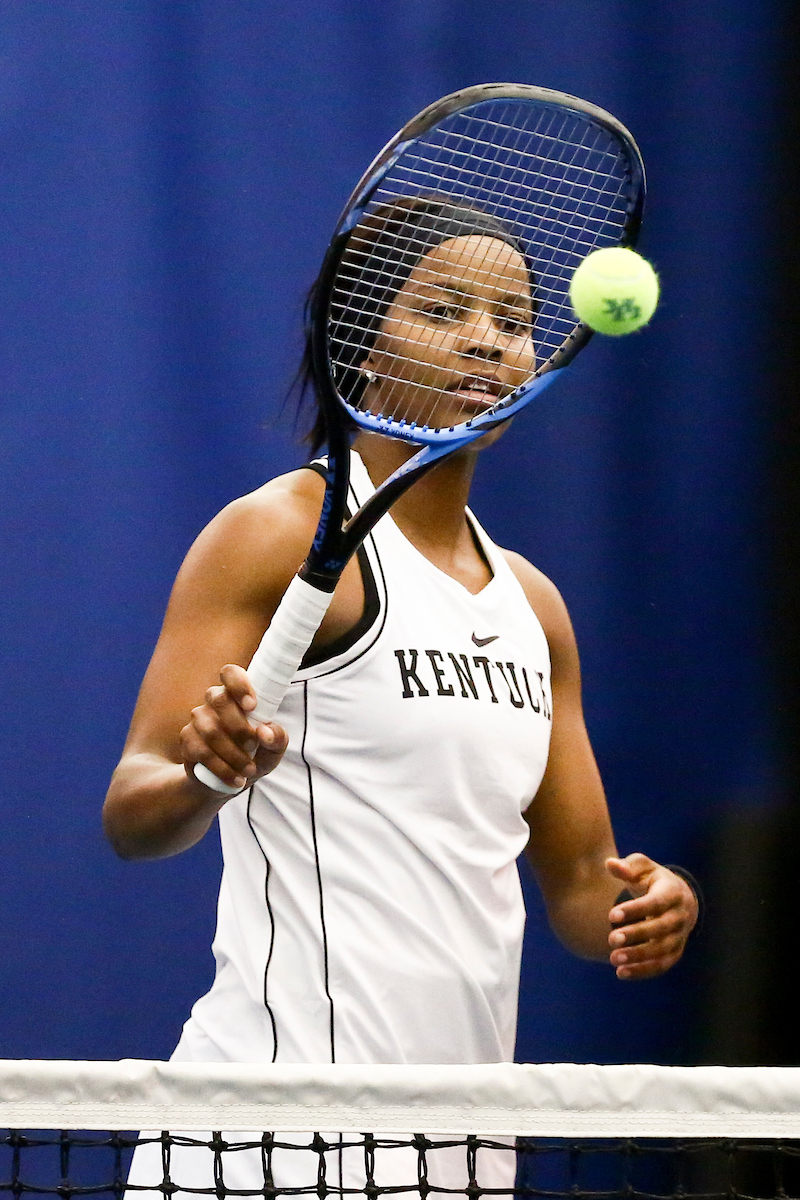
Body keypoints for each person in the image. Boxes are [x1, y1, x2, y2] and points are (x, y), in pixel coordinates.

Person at [105, 197, 698, 1195]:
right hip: (271, 1147)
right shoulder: (276, 535)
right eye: (444, 310)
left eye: (513, 322)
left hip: (458, 1152)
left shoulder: (533, 610)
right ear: (358, 341)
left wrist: (647, 905)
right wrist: (206, 776)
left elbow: (579, 893)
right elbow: (135, 812)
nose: (488, 342)